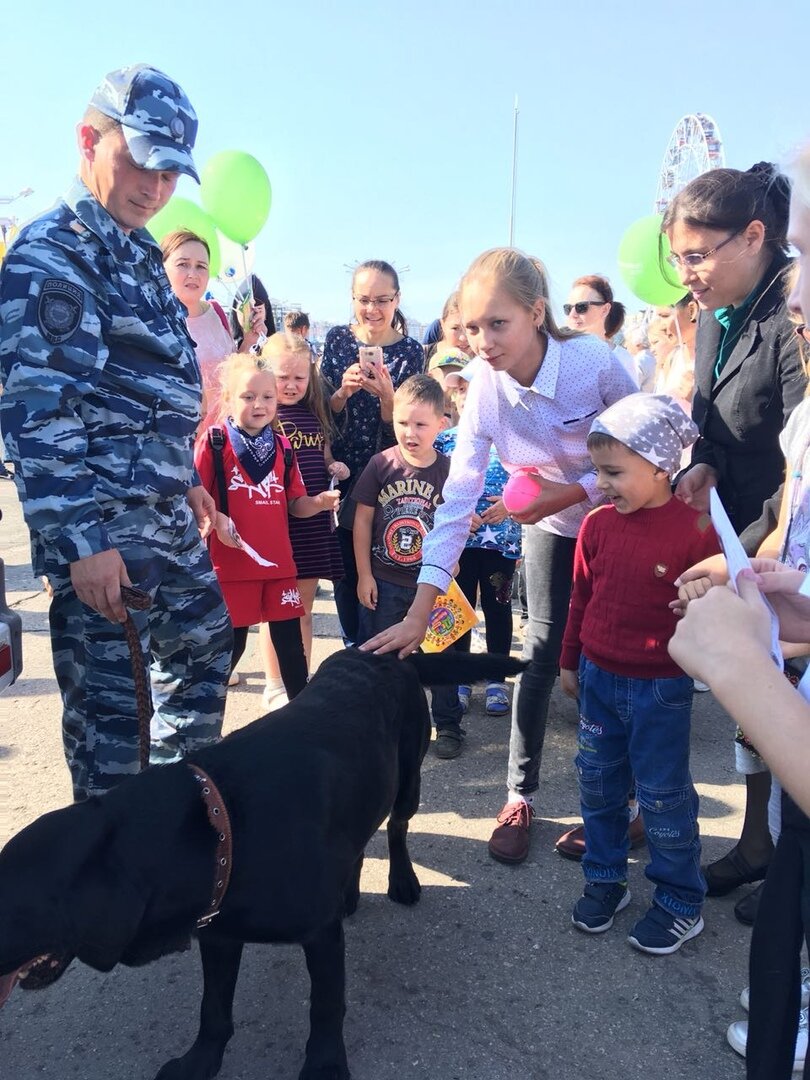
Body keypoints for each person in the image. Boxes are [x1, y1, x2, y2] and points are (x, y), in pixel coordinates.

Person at [0, 64, 233, 802]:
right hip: (105, 540)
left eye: (170, 171)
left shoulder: (136, 251)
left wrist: (185, 477)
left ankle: (171, 841)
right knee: (114, 732)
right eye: (139, 160)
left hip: (163, 517)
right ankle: (110, 892)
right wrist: (82, 547)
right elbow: (40, 415)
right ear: (87, 139)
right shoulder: (55, 254)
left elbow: (150, 388)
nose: (155, 187)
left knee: (202, 654)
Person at [361, 247, 637, 862]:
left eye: (497, 323)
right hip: (551, 527)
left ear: (537, 312)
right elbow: (457, 499)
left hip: (621, 521)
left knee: (612, 661)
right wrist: (421, 610)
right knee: (538, 656)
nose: (482, 341)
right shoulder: (483, 388)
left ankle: (627, 804)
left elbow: (644, 448)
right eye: (471, 326)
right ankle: (519, 794)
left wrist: (571, 491)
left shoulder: (595, 362)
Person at [665, 162, 807, 903]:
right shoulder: (716, 315)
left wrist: (763, 552)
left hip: (783, 544)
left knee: (784, 700)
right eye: (677, 257)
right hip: (738, 529)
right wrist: (700, 464)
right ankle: (760, 840)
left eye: (697, 254)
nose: (685, 273)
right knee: (756, 704)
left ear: (754, 237)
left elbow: (801, 455)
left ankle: (786, 858)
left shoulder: (793, 314)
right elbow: (711, 419)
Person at [559, 393, 720, 954]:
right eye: (598, 470)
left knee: (662, 796)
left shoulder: (697, 532)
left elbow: (714, 608)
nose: (601, 484)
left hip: (661, 688)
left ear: (660, 468)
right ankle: (605, 881)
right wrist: (569, 658)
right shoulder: (597, 526)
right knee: (598, 785)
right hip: (599, 680)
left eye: (613, 472)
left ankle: (680, 901)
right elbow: (581, 596)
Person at [194, 354, 339, 700]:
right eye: (248, 396)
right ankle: (198, 717)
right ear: (228, 398)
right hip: (232, 567)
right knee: (230, 648)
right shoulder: (215, 442)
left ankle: (301, 719)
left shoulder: (283, 446)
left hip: (279, 566)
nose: (259, 405)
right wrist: (215, 519)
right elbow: (193, 501)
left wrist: (319, 503)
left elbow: (295, 504)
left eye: (267, 397)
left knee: (291, 648)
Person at [352, 374, 464, 757]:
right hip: (384, 581)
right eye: (402, 422)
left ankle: (448, 725)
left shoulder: (450, 471)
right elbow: (362, 520)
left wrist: (455, 563)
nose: (410, 432)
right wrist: (364, 574)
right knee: (384, 655)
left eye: (420, 424)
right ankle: (385, 724)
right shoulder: (380, 464)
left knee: (443, 658)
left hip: (433, 586)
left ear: (441, 424)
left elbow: (457, 523)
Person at [320, 260, 425, 646]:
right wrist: (343, 392)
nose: (372, 309)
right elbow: (324, 413)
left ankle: (383, 645)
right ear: (352, 298)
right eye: (364, 299)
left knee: (387, 565)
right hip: (345, 473)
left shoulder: (412, 353)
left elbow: (407, 426)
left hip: (392, 479)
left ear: (397, 300)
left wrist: (389, 399)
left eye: (382, 299)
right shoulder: (336, 340)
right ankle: (355, 645)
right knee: (347, 569)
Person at [258, 332, 348, 706]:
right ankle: (274, 682)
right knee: (275, 611)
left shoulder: (316, 415)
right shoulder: (262, 417)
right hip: (276, 524)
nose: (291, 385)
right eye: (283, 377)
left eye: (299, 377)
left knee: (302, 608)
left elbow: (324, 456)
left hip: (313, 524)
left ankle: (301, 680)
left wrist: (334, 467)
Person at [435, 364, 521, 716]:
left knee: (498, 607)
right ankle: (461, 677)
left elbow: (531, 479)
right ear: (456, 397)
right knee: (461, 609)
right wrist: (456, 512)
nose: (472, 399)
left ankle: (497, 677)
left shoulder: (515, 437)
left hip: (502, 543)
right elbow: (436, 487)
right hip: (461, 543)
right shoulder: (445, 440)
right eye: (464, 391)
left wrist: (510, 504)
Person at [161, 229, 266, 435]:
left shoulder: (216, 311)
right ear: (162, 268)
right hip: (181, 442)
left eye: (201, 266)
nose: (193, 273)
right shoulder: (154, 319)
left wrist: (249, 341)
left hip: (225, 438)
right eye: (183, 264)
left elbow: (231, 374)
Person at [564, 274, 638, 385]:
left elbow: (631, 401)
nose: (572, 314)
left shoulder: (621, 359)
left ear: (605, 310)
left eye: (581, 307)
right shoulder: (558, 353)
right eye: (568, 308)